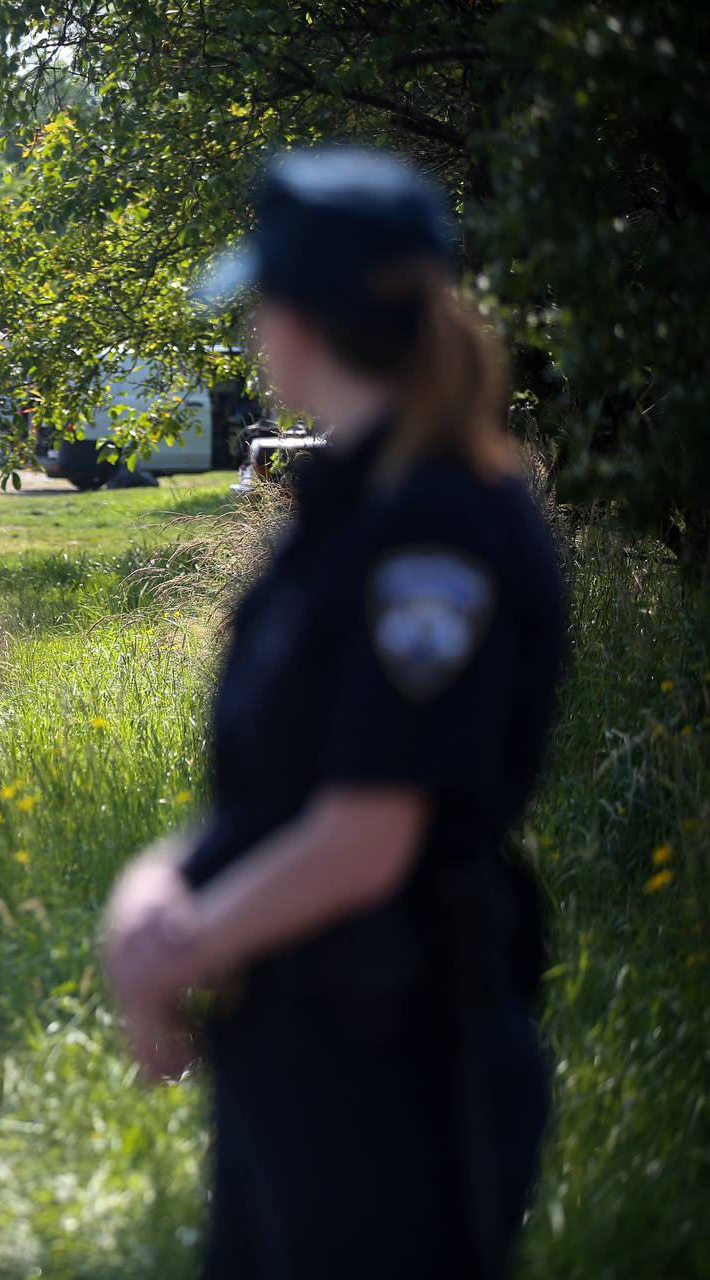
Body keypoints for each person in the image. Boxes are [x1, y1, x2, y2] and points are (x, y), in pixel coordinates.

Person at [101, 148, 564, 1279]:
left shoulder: (439, 531)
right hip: (297, 1053)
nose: (261, 331)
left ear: (302, 318)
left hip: (399, 1070)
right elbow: (281, 786)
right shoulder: (346, 508)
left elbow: (369, 832)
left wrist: (182, 949)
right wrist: (157, 887)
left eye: (265, 304)